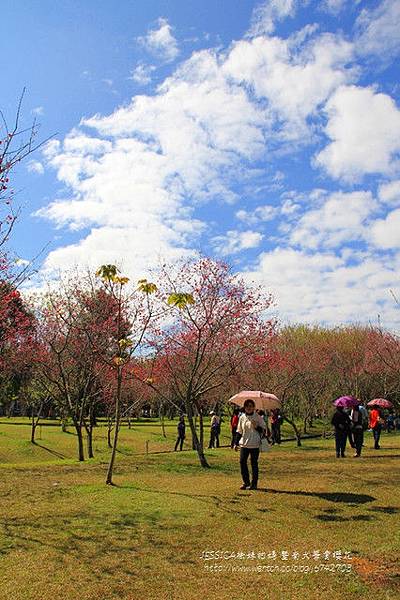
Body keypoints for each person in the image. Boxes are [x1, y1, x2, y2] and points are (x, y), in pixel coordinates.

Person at [234, 399, 266, 490]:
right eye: (247, 406)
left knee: (254, 463)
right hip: (244, 444)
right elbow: (239, 431)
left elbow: (264, 431)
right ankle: (246, 482)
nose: (249, 408)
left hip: (255, 444)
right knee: (242, 462)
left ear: (254, 407)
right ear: (244, 407)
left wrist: (257, 427)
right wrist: (236, 443)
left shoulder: (258, 417)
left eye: (251, 406)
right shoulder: (242, 417)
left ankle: (254, 484)